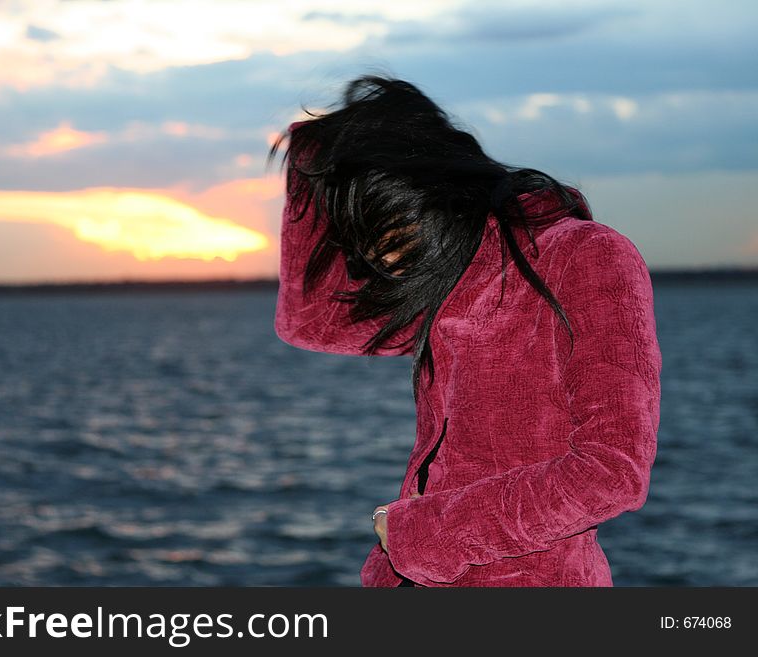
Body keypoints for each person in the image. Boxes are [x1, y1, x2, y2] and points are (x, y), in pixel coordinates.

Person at [266, 75, 662, 587]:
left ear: (436, 186)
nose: (383, 257)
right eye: (367, 241)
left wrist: (424, 534)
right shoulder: (442, 280)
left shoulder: (585, 254)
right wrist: (313, 152)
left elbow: (613, 470)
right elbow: (309, 321)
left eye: (391, 227)